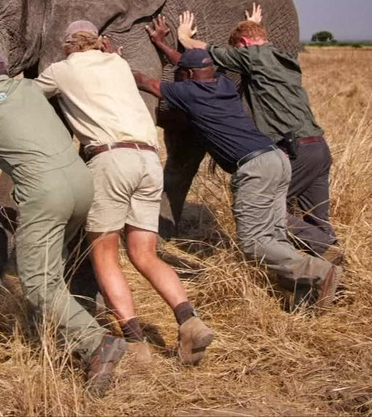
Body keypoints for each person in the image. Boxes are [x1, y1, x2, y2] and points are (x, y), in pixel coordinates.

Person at [33, 20, 213, 365]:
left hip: (110, 159)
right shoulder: (117, 63)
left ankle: (135, 343)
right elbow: (115, 61)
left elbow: (30, 97)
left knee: (104, 255)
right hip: (148, 159)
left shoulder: (61, 69)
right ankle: (189, 321)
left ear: (68, 45)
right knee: (145, 255)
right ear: (99, 43)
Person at [0, 48, 126, 397]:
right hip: (81, 182)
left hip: (45, 193)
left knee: (36, 281)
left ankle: (96, 344)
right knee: (52, 268)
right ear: (4, 70)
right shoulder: (30, 88)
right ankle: (46, 339)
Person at [131, 48, 343, 313]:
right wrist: (163, 46)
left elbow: (144, 81)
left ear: (188, 75)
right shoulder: (224, 83)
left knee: (253, 242)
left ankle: (318, 272)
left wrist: (110, 58)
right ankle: (305, 290)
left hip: (255, 167)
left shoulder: (188, 92)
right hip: (277, 158)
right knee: (274, 234)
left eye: (182, 74)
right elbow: (192, 68)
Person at [145, 6, 343, 264]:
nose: (237, 55)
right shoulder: (283, 58)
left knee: (265, 211)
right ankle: (337, 274)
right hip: (319, 148)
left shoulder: (252, 57)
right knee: (317, 218)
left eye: (239, 49)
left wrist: (184, 37)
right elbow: (203, 73)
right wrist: (249, 25)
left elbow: (207, 55)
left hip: (294, 150)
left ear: (245, 44)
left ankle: (316, 253)